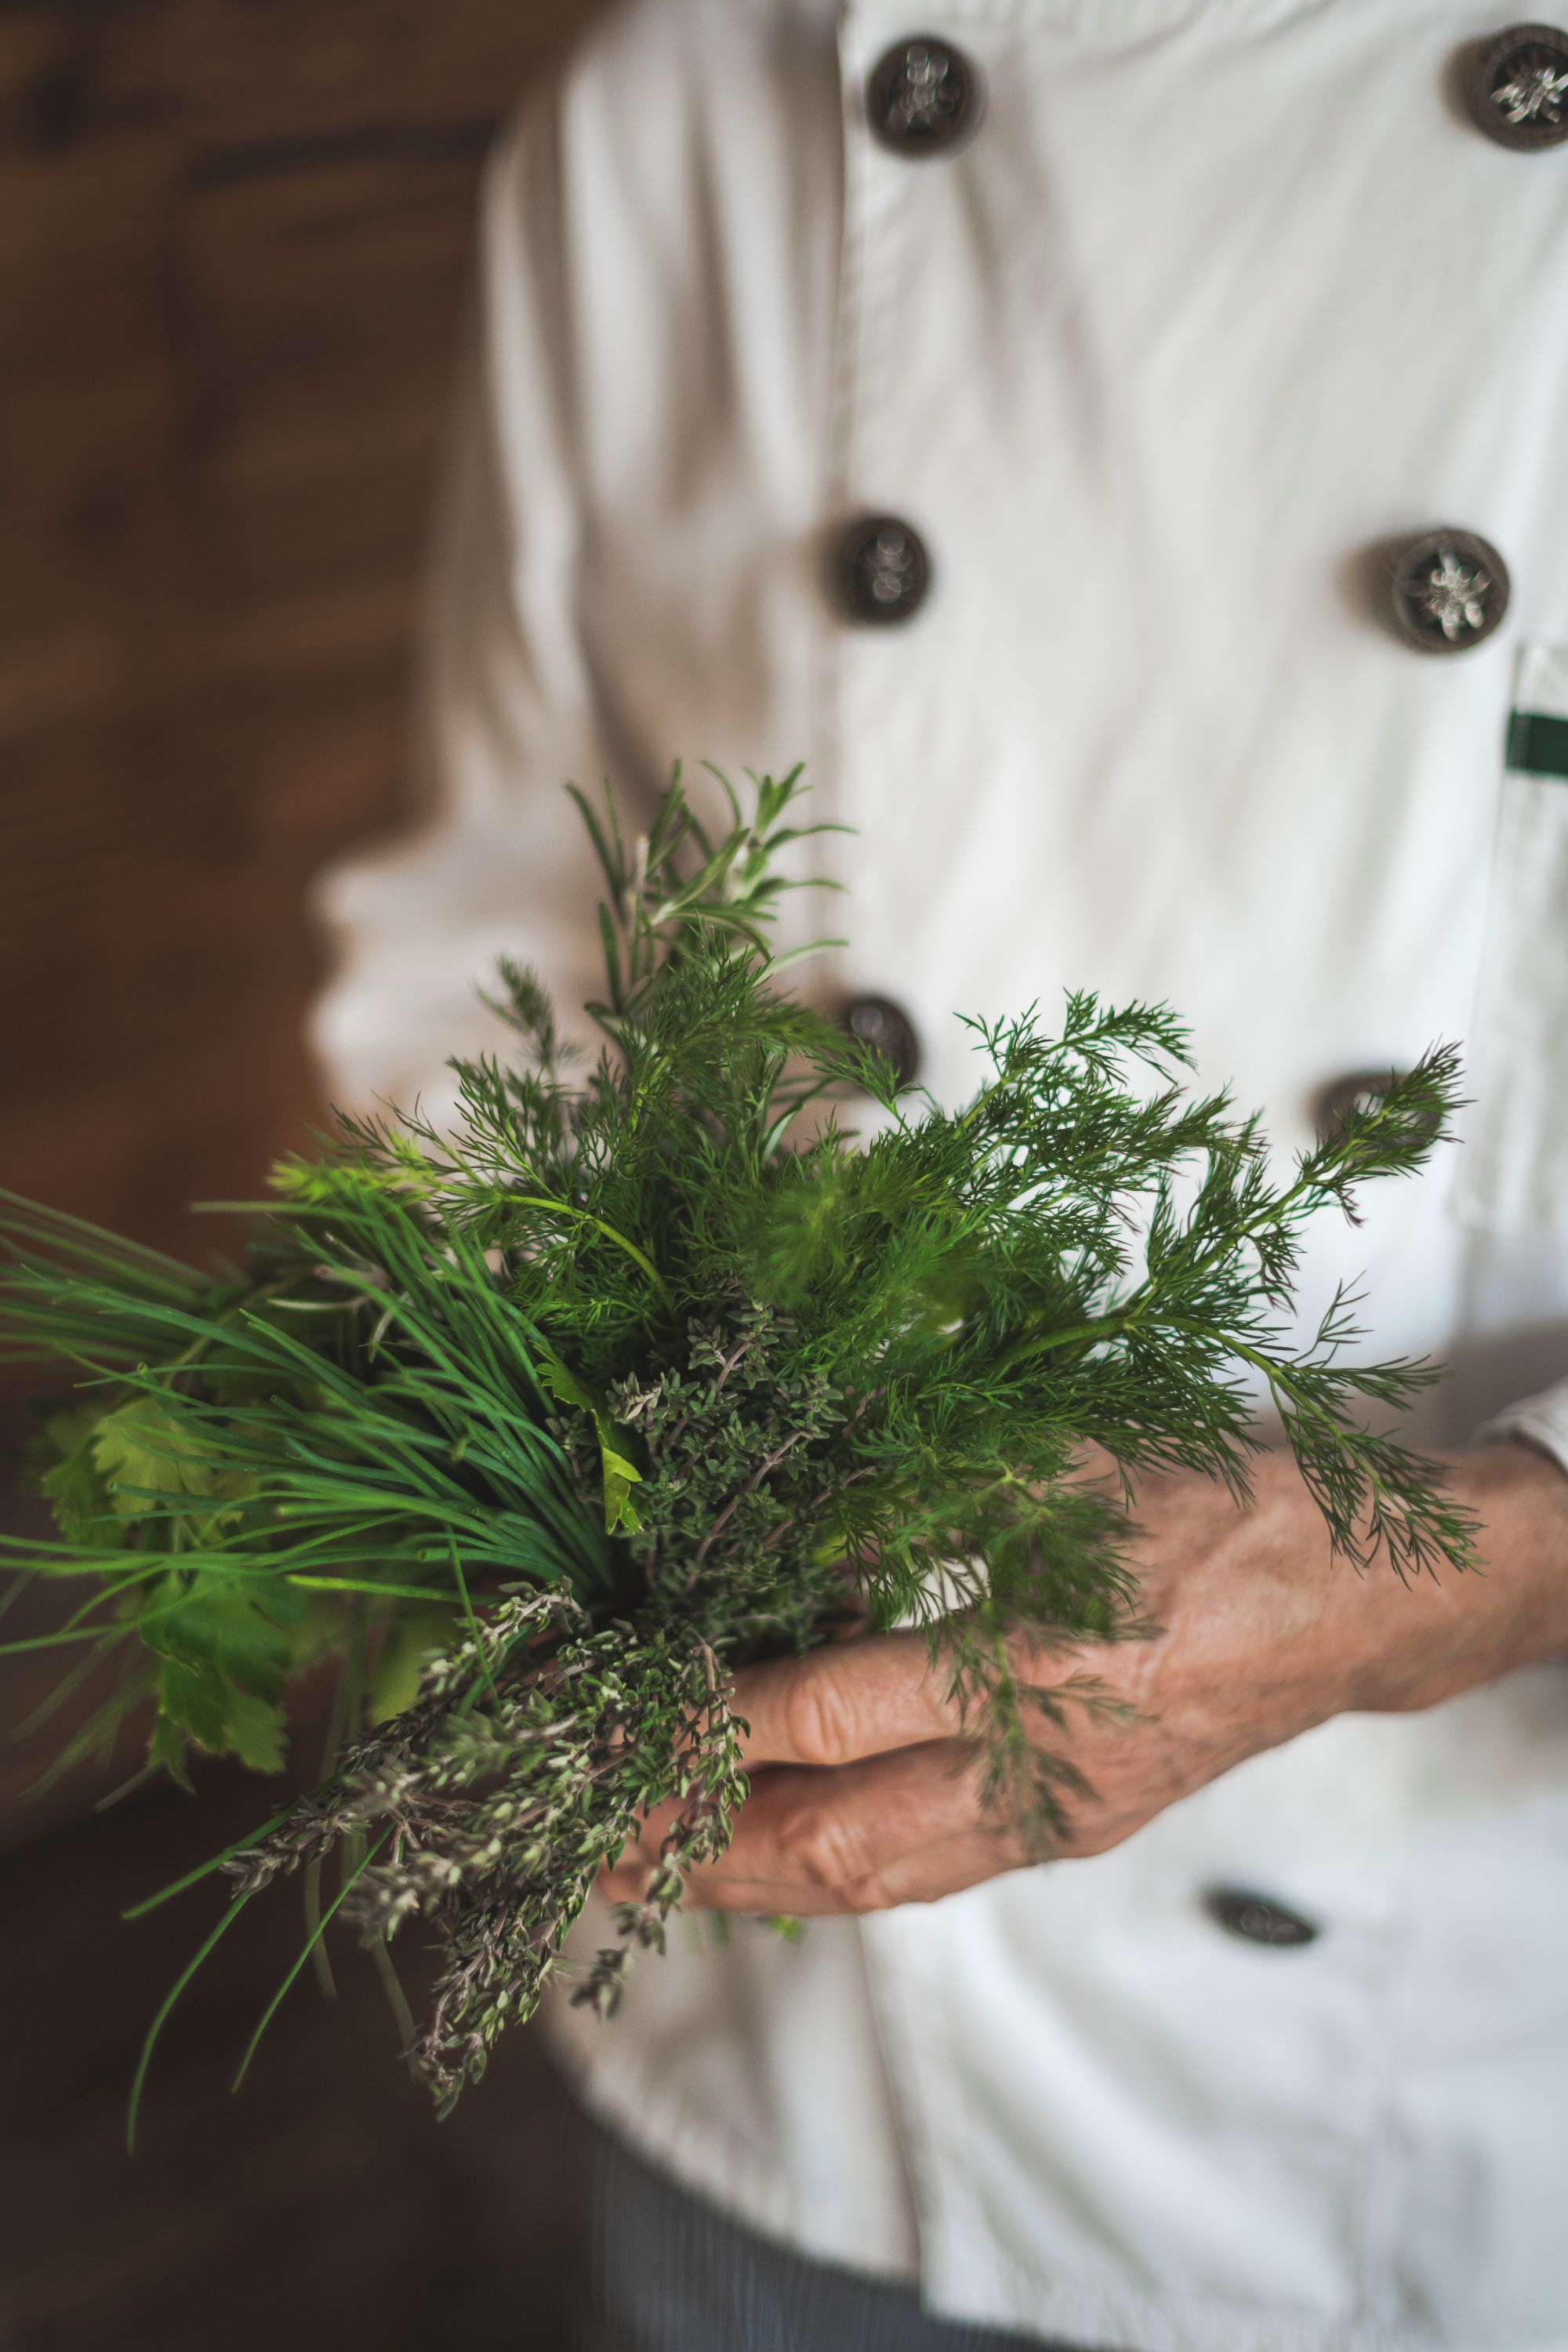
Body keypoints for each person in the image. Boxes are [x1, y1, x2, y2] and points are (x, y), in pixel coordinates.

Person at [311, 3, 1568, 2344]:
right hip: (772, 2023)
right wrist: (549, 1402)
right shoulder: (672, 111)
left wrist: (1479, 1562)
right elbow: (498, 925)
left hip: (1472, 2043)